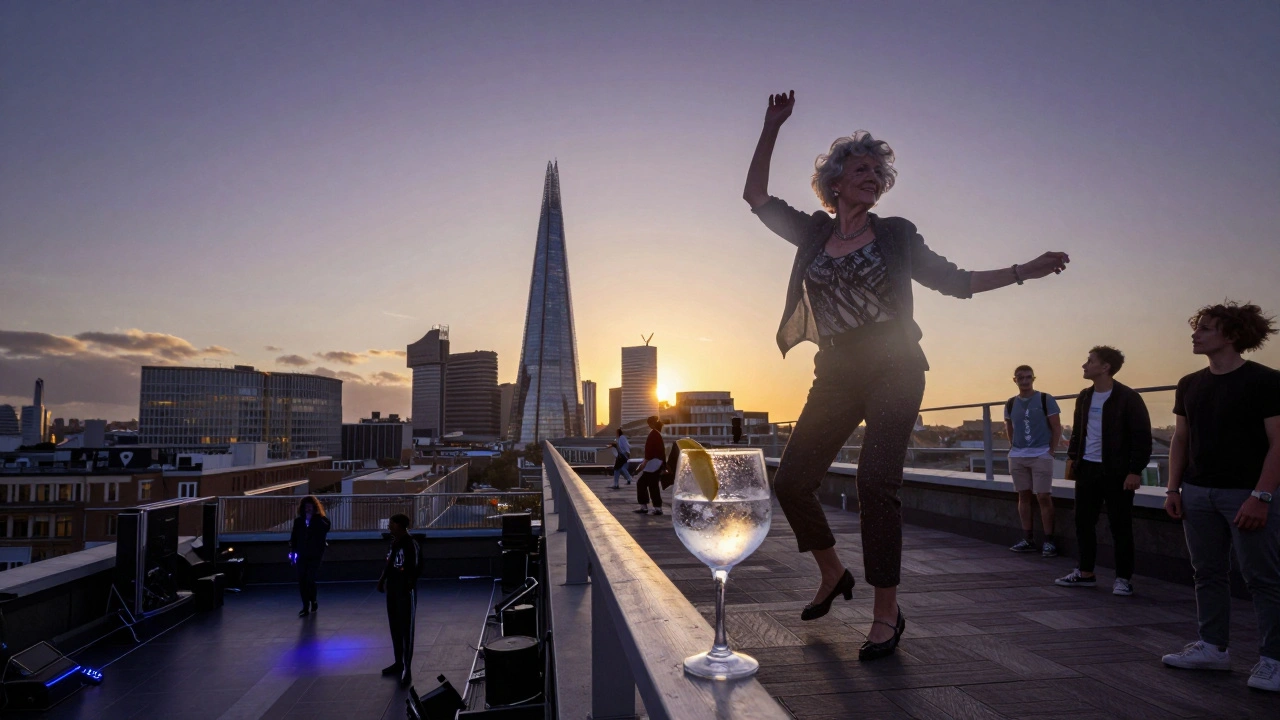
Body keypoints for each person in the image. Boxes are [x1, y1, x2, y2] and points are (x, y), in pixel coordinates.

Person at [743, 90, 1069, 661]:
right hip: (837, 368)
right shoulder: (813, 233)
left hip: (895, 364)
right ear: (835, 182)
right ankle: (831, 572)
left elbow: (957, 281)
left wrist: (1025, 271)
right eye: (861, 169)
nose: (873, 176)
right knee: (792, 481)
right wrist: (772, 126)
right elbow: (755, 196)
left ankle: (886, 611)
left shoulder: (896, 234)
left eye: (879, 171)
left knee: (875, 482)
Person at [1159, 302, 1280, 693]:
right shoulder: (1189, 383)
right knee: (1207, 573)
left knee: (1263, 577)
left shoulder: (1266, 381)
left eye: (1206, 329)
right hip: (1197, 493)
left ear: (1231, 335)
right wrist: (1174, 488)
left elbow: (1279, 443)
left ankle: (1273, 661)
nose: (1195, 334)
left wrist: (1261, 496)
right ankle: (1213, 649)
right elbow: (1181, 438)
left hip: (1247, 494)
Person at [1056, 346, 1152, 596]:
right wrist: (1074, 459)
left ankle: (1123, 578)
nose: (1084, 365)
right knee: (1083, 522)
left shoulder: (1128, 398)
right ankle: (1085, 572)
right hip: (1087, 469)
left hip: (1117, 472)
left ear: (1105, 367)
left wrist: (1134, 471)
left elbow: (1142, 438)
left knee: (1120, 525)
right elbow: (1078, 432)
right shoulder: (1084, 397)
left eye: (1090, 361)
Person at [1004, 365, 1062, 557]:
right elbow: (1009, 426)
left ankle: (1049, 540)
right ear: (1015, 380)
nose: (1025, 381)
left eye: (1028, 377)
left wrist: (1051, 451)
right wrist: (1013, 446)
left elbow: (1056, 427)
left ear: (1033, 378)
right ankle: (1028, 539)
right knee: (1024, 496)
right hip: (1018, 455)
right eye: (1020, 378)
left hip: (1041, 454)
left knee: (1043, 496)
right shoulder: (1011, 403)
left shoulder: (1046, 399)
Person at [378, 513, 420, 687]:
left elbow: (416, 567)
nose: (389, 527)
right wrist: (383, 581)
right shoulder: (394, 543)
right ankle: (398, 662)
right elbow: (389, 564)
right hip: (393, 590)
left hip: (404, 591)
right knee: (395, 627)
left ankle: (407, 669)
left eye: (391, 524)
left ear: (399, 526)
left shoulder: (411, 544)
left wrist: (408, 585)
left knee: (406, 630)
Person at [289, 495, 330, 617]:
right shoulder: (298, 521)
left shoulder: (320, 520)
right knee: (302, 580)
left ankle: (313, 600)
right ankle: (305, 606)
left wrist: (316, 517)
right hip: (302, 554)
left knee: (310, 579)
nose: (308, 508)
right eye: (306, 506)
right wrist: (292, 552)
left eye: (310, 506)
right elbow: (294, 537)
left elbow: (326, 527)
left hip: (315, 555)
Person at [634, 416, 666, 516]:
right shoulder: (657, 434)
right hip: (657, 463)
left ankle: (646, 507)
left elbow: (649, 452)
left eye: (649, 423)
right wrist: (664, 465)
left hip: (652, 464)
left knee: (642, 483)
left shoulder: (653, 434)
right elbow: (662, 452)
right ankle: (656, 508)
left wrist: (643, 464)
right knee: (652, 485)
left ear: (651, 424)